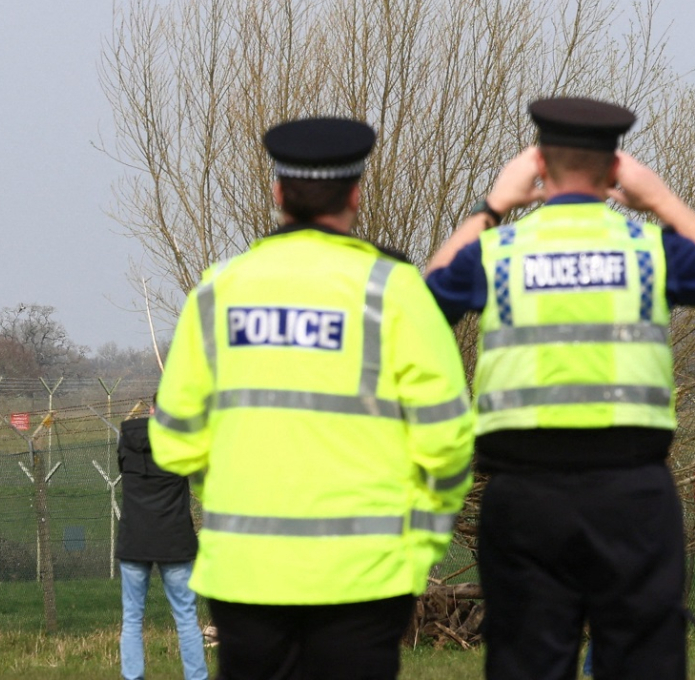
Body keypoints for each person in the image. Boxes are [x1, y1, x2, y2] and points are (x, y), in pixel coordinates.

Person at [150, 117, 475, 680]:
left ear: (277, 194)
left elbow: (174, 446)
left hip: (245, 576)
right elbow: (448, 446)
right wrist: (419, 548)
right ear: (355, 194)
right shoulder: (395, 292)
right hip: (366, 576)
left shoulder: (216, 292)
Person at [425, 97, 695, 680]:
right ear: (617, 170)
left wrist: (492, 205)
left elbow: (416, 305)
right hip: (634, 497)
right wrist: (664, 202)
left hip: (524, 500)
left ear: (538, 166)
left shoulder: (499, 254)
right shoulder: (648, 251)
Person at [117, 400, 207, 680]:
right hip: (174, 540)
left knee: (132, 618)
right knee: (186, 617)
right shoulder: (180, 444)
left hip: (135, 539)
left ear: (151, 410)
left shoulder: (127, 441)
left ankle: (133, 676)